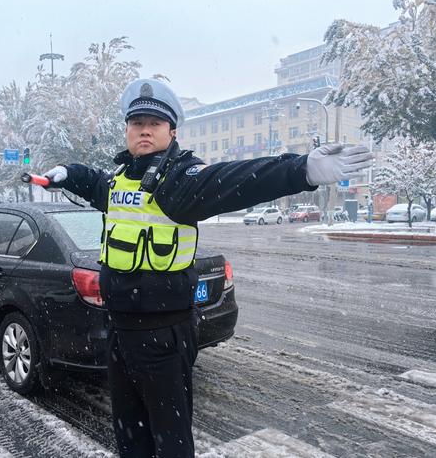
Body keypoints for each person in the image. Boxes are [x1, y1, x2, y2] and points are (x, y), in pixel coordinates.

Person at [42, 78, 372, 457]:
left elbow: (237, 180)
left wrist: (302, 171)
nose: (145, 130)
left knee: (171, 441)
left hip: (163, 336)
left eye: (155, 123)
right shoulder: (121, 181)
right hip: (118, 330)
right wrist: (69, 172)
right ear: (128, 130)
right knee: (130, 436)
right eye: (137, 123)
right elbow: (96, 184)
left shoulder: (179, 180)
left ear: (172, 131)